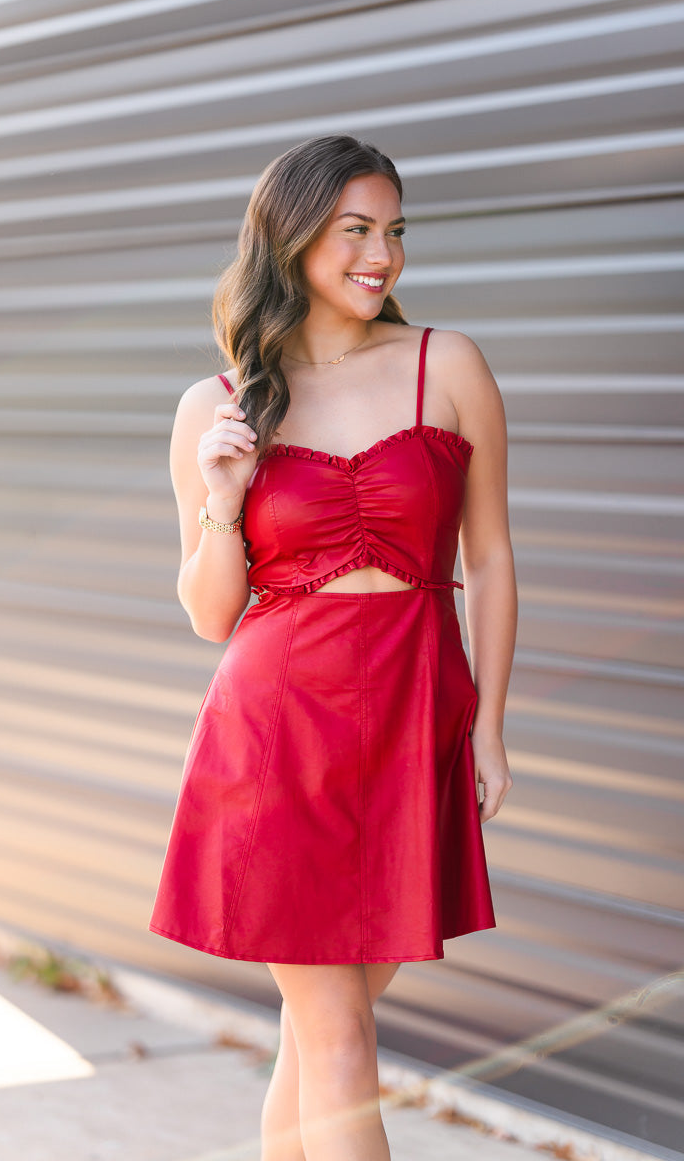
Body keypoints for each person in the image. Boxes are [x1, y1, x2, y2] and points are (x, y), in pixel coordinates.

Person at [149, 135, 517, 1161]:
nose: (380, 255)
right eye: (353, 230)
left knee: (316, 1042)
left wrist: (486, 725)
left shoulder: (446, 365)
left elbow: (487, 559)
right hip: (275, 736)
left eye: (392, 230)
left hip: (411, 718)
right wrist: (224, 503)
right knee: (339, 1038)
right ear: (291, 237)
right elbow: (210, 613)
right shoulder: (212, 407)